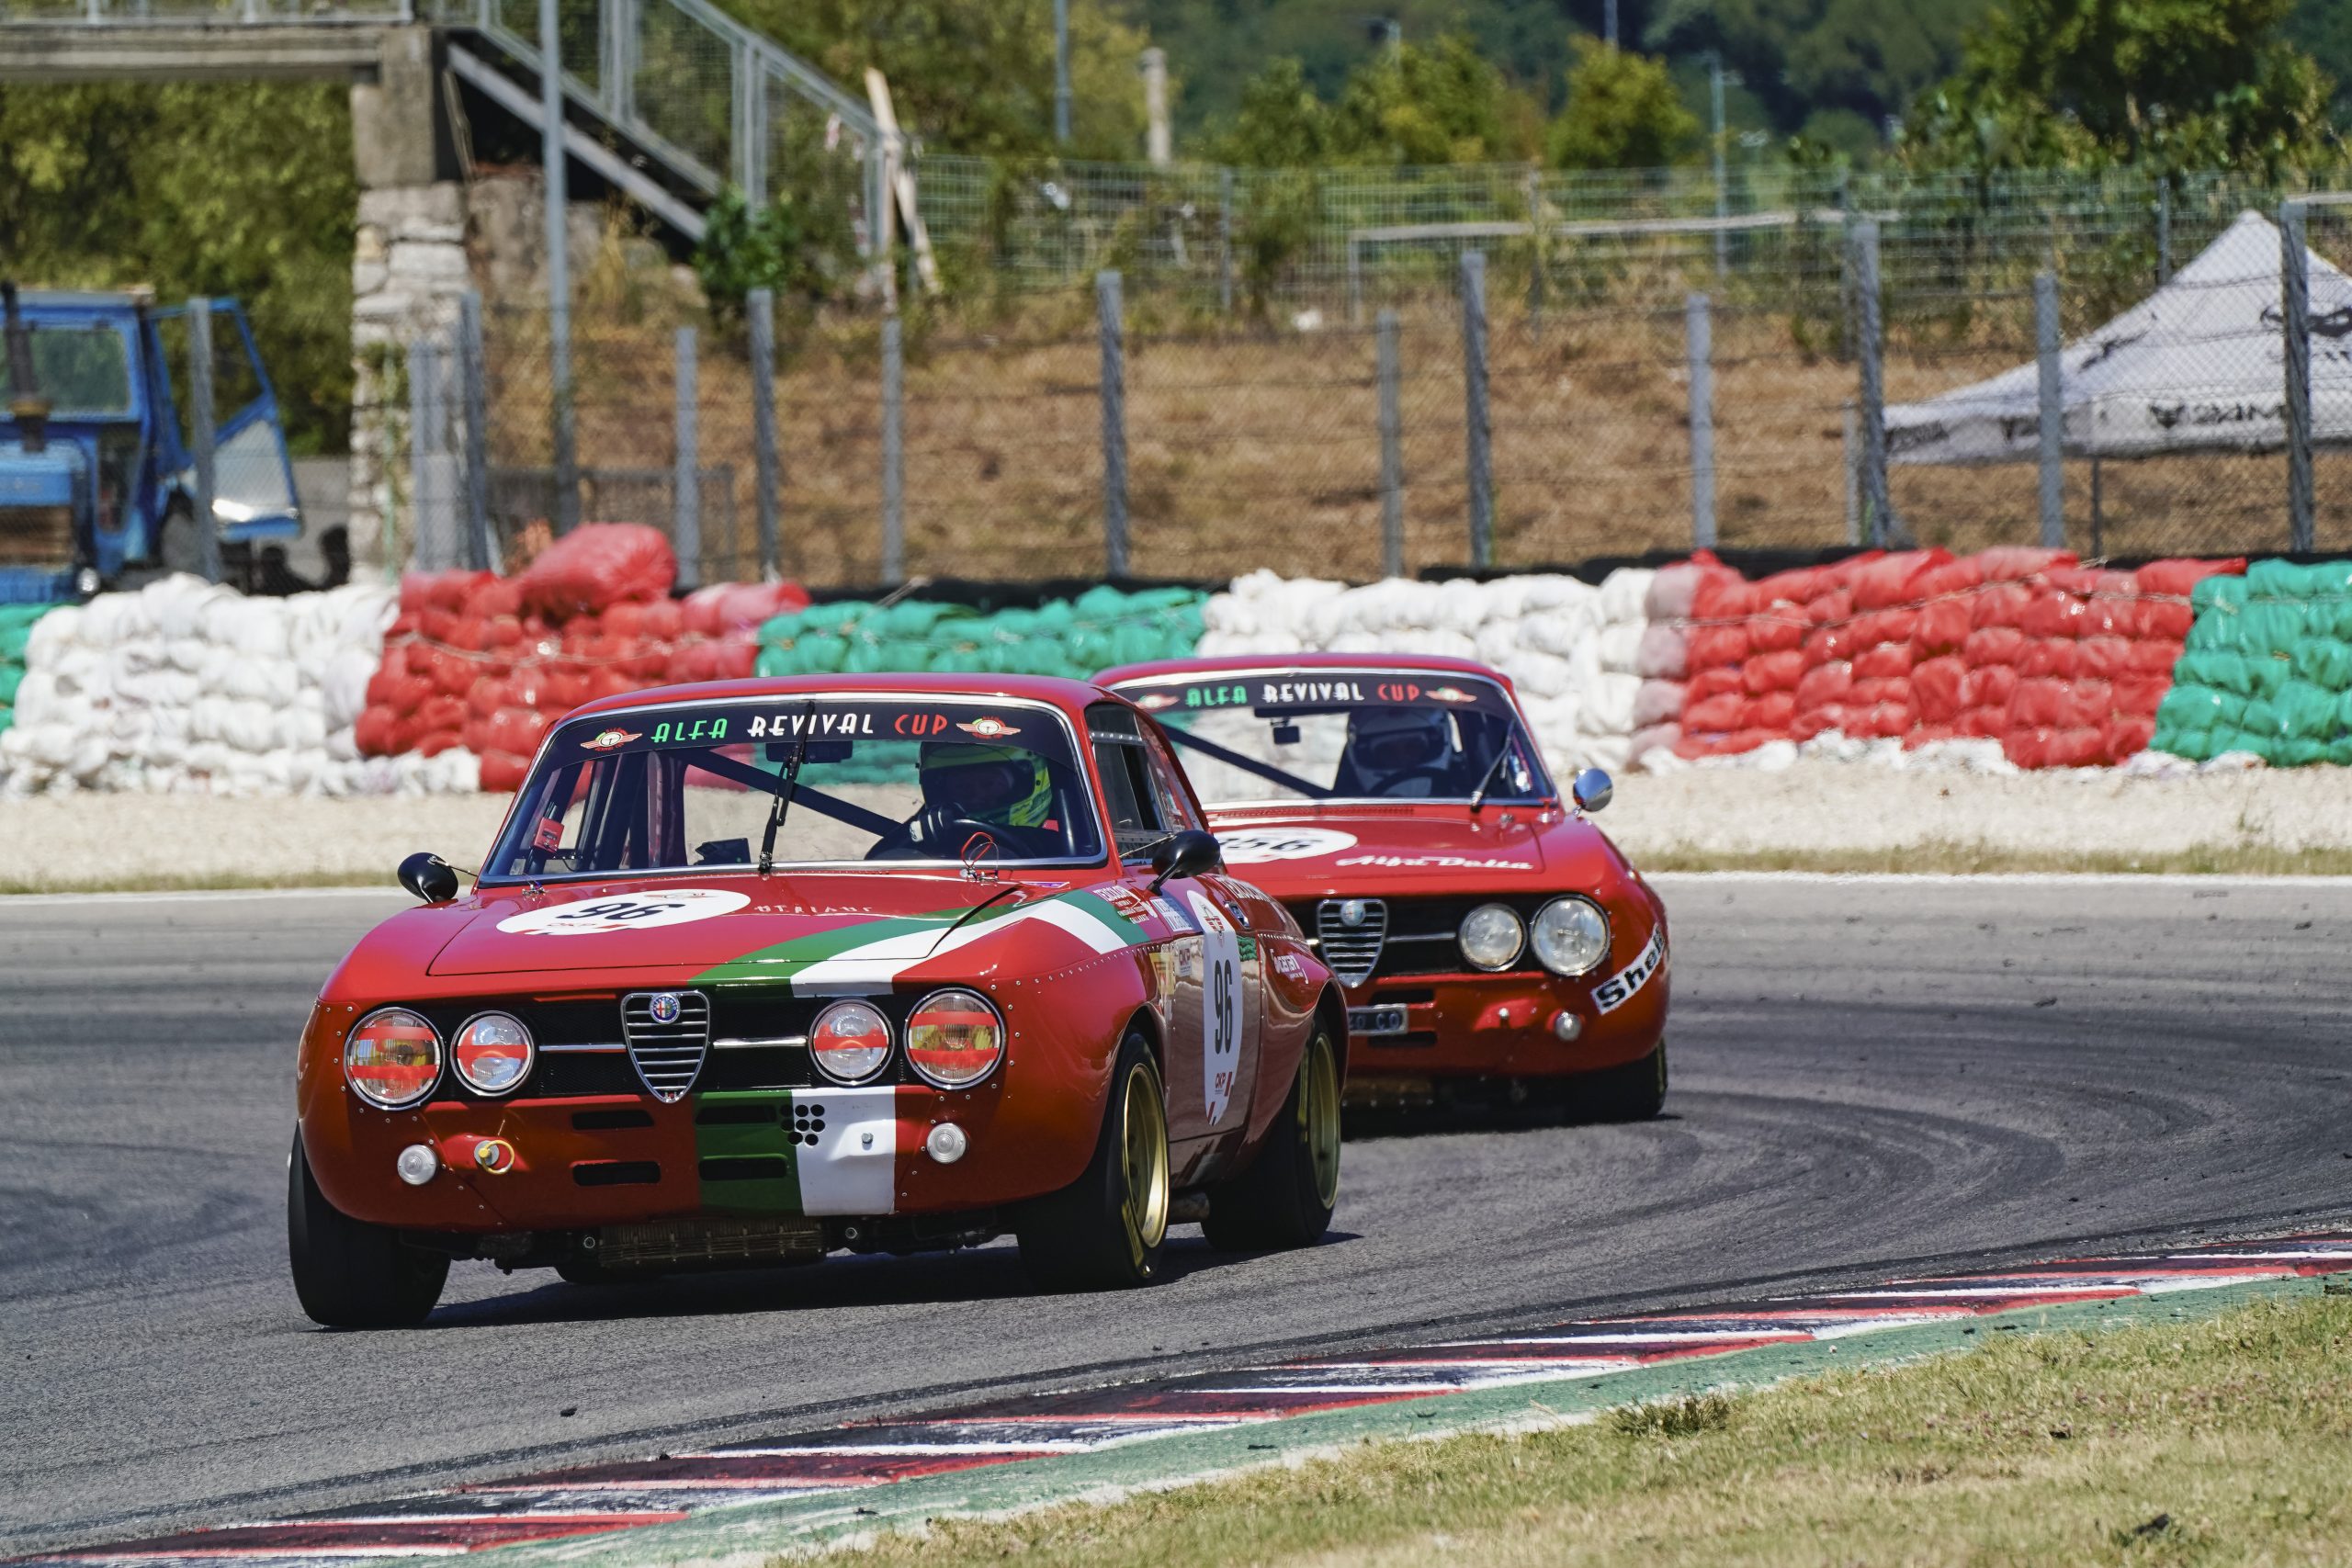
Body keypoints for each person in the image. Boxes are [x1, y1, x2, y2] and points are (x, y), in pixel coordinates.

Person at [916, 740, 1054, 830]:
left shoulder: (1066, 844)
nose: (977, 796)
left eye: (989, 784)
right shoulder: (922, 836)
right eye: (962, 786)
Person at [1335, 706, 1460, 796]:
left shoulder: (1468, 800)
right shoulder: (1349, 814)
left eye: (1413, 747)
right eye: (1387, 751)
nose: (1403, 758)